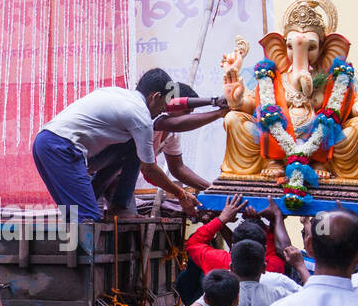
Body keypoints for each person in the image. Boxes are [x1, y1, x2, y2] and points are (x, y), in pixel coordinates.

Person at [31, 68, 223, 223]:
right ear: (155, 96)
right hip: (62, 148)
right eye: (163, 105)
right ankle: (85, 265)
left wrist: (214, 104)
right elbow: (150, 168)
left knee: (74, 216)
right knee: (88, 219)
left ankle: (111, 207)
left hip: (47, 142)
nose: (164, 110)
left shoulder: (122, 95)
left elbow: (174, 144)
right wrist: (180, 194)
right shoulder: (141, 117)